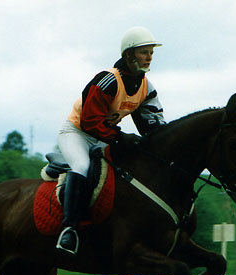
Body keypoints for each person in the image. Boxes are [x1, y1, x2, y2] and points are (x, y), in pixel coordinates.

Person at [56, 26, 166, 254]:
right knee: (82, 166)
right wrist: (119, 137)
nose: (149, 57)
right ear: (128, 56)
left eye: (151, 53)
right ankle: (69, 230)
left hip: (103, 136)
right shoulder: (107, 81)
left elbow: (154, 127)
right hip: (77, 134)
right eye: (144, 52)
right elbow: (89, 122)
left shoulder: (146, 88)